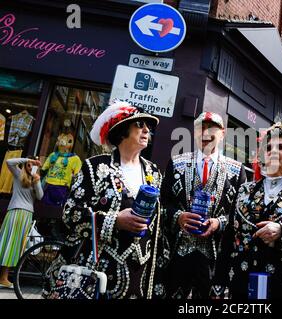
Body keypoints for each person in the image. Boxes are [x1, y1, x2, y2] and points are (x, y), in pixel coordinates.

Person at [45, 101, 169, 299]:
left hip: (140, 274)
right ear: (121, 131)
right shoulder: (94, 167)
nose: (147, 130)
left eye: (148, 126)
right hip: (97, 272)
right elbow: (71, 213)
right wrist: (114, 220)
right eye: (139, 125)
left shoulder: (153, 172)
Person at [211, 123, 282, 299]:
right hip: (243, 286)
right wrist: (219, 283)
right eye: (268, 147)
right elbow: (228, 240)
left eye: (281, 147)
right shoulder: (244, 190)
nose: (273, 151)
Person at [161, 111, 246, 299]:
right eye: (201, 128)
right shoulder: (176, 163)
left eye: (211, 128)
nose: (205, 133)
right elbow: (163, 204)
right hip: (178, 256)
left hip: (215, 259)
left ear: (222, 133)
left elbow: (240, 214)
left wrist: (219, 223)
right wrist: (179, 217)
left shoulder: (236, 170)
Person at [0, 156, 43, 288]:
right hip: (15, 213)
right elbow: (9, 162)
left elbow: (40, 196)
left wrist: (37, 182)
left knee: (13, 245)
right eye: (28, 165)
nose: (31, 167)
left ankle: (3, 277)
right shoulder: (19, 175)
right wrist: (26, 159)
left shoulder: (35, 179)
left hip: (26, 216)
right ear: (25, 166)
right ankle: (3, 278)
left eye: (33, 165)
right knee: (7, 242)